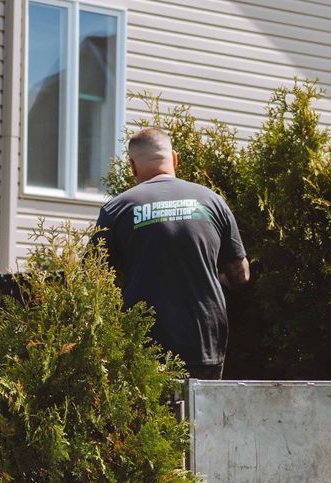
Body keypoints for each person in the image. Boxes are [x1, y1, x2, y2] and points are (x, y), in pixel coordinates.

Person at [93, 127, 250, 379]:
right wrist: (213, 277)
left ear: (132, 166)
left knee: (151, 419)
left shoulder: (117, 209)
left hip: (143, 347)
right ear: (174, 158)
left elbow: (93, 281)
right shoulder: (211, 201)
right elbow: (240, 276)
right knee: (201, 417)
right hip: (204, 343)